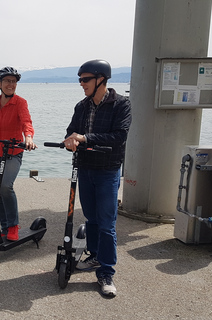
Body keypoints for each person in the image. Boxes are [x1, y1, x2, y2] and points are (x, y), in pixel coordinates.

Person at [63, 59, 131, 297]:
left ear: (101, 79)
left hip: (108, 170)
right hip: (85, 169)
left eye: (85, 79)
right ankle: (93, 255)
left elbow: (119, 136)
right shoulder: (81, 106)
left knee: (106, 223)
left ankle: (106, 271)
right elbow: (72, 132)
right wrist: (70, 140)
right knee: (91, 218)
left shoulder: (121, 104)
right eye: (80, 80)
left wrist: (84, 138)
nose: (82, 84)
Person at [0, 66, 37, 241]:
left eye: (13, 81)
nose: (10, 84)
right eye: (7, 81)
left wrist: (28, 137)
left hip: (13, 152)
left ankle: (13, 225)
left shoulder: (20, 102)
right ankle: (5, 225)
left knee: (5, 186)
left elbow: (26, 121)